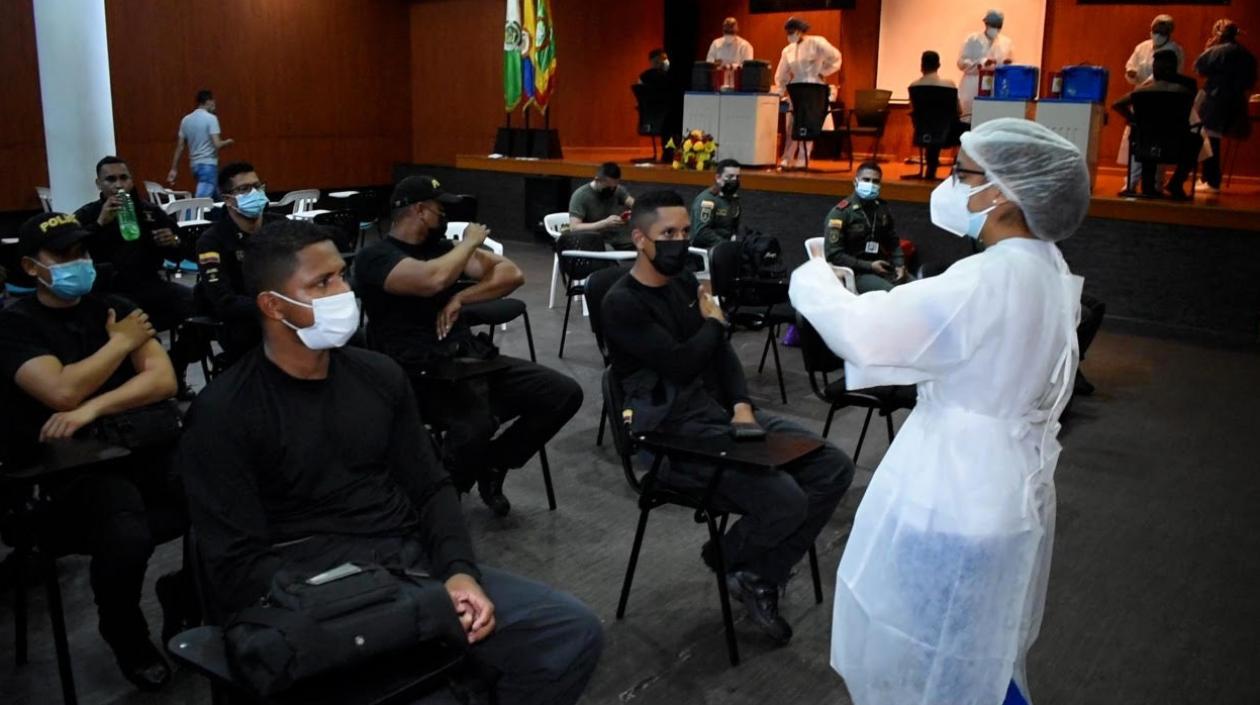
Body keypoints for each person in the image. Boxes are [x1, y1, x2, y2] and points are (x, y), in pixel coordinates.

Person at [177, 219, 602, 705]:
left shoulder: (379, 376)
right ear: (274, 306)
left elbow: (431, 486)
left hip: (407, 562)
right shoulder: (224, 412)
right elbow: (236, 560)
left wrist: (459, 570)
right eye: (322, 283)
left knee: (569, 632)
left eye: (341, 276)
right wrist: (368, 606)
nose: (343, 293)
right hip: (311, 584)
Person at [790, 118, 1089, 705]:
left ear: (1003, 192)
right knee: (978, 644)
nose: (951, 185)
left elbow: (866, 332)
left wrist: (814, 280)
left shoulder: (988, 277)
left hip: (952, 488)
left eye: (963, 174)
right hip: (1003, 485)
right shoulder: (1048, 269)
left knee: (926, 645)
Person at [602, 189, 854, 646]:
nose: (680, 241)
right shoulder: (622, 302)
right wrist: (715, 322)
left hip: (716, 416)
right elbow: (681, 363)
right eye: (667, 234)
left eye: (684, 231)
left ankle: (755, 571)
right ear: (639, 239)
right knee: (786, 500)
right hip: (668, 437)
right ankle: (731, 559)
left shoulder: (682, 285)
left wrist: (740, 404)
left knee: (832, 466)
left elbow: (719, 357)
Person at [0, 213, 192, 692]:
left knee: (215, 490)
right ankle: (125, 632)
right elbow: (59, 391)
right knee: (124, 526)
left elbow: (163, 380)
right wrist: (121, 344)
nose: (79, 263)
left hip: (138, 446)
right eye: (63, 256)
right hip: (67, 470)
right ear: (31, 267)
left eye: (83, 253)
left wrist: (93, 406)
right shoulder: (15, 324)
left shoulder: (116, 306)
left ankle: (186, 597)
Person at [354, 176, 583, 517]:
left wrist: (462, 297)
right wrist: (470, 243)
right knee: (475, 425)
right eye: (440, 208)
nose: (445, 216)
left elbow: (511, 274)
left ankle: (491, 464)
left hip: (466, 361)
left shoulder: (443, 251)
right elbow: (432, 280)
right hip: (416, 373)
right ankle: (440, 499)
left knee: (562, 393)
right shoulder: (376, 257)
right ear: (419, 210)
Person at [75, 156, 197, 395]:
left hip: (150, 283)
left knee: (200, 304)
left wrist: (172, 241)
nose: (118, 185)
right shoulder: (88, 214)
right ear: (99, 184)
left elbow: (185, 250)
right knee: (131, 317)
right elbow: (72, 251)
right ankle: (141, 381)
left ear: (132, 180)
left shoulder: (150, 211)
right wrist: (99, 224)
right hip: (106, 291)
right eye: (110, 179)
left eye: (124, 178)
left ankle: (176, 366)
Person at [194, 161, 281, 366]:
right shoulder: (212, 241)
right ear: (227, 199)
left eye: (257, 187)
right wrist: (273, 307)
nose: (254, 193)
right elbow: (224, 302)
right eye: (244, 189)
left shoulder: (280, 226)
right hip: (244, 323)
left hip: (286, 312)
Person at [1112, 50, 1199, 199]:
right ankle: (1176, 183)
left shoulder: (1141, 91)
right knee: (1196, 140)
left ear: (1154, 70)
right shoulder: (1186, 90)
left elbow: (1116, 104)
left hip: (1145, 144)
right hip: (1177, 144)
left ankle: (1148, 187)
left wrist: (1133, 119)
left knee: (1147, 137)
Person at [1118, 15, 1186, 193]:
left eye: (1162, 31)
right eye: (1156, 30)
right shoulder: (1142, 47)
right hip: (1141, 100)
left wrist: (1150, 84)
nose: (1158, 35)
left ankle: (1156, 184)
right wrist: (1132, 73)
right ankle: (1131, 182)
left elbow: (1170, 74)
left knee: (1159, 146)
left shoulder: (1175, 50)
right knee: (1136, 144)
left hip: (1163, 102)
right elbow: (1131, 65)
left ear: (1169, 32)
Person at [822, 162, 908, 293]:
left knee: (916, 289)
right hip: (857, 271)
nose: (871, 184)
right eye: (866, 180)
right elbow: (834, 255)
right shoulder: (841, 213)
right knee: (893, 294)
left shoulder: (881, 209)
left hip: (882, 267)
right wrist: (869, 266)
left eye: (875, 181)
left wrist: (899, 264)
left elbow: (893, 242)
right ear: (855, 182)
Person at [1194, 19, 1257, 192]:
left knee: (1209, 138)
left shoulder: (1216, 51)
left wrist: (1207, 49)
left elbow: (1200, 69)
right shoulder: (1247, 54)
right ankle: (1210, 178)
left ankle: (1211, 179)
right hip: (1236, 100)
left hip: (1215, 99)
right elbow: (1250, 81)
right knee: (1213, 137)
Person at [774, 16, 842, 168]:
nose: (790, 35)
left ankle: (803, 158)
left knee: (809, 123)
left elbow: (836, 57)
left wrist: (823, 71)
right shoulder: (788, 50)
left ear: (800, 31)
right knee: (792, 124)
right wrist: (780, 90)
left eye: (792, 32)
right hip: (796, 88)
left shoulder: (817, 42)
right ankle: (787, 157)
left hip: (814, 87)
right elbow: (782, 72)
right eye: (788, 32)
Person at [166, 89, 233, 198]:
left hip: (194, 166)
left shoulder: (186, 120)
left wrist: (174, 169)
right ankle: (194, 210)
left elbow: (180, 147)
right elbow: (217, 144)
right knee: (202, 200)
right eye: (213, 101)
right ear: (208, 101)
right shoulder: (211, 119)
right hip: (208, 164)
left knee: (217, 198)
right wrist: (228, 142)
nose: (215, 104)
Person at [908, 50, 961, 180]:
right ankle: (954, 172)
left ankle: (930, 168)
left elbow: (912, 109)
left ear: (922, 66)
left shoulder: (914, 86)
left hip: (923, 131)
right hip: (948, 133)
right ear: (938, 65)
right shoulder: (949, 85)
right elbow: (958, 110)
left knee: (932, 128)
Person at [957, 9, 1014, 120]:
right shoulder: (972, 39)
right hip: (973, 85)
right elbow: (961, 63)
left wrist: (1005, 64)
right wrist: (981, 63)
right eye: (993, 25)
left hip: (995, 87)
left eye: (998, 26)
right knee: (969, 120)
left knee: (991, 119)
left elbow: (1010, 64)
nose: (995, 28)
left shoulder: (1006, 43)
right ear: (986, 24)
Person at [568, 162, 636, 251]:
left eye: (614, 187)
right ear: (597, 180)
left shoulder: (617, 190)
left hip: (616, 238)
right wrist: (604, 223)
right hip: (593, 239)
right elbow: (574, 228)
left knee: (642, 245)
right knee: (609, 251)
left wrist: (631, 214)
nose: (612, 190)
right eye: (608, 187)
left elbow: (635, 205)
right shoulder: (581, 196)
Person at [689, 158, 742, 249]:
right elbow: (702, 233)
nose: (734, 180)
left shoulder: (733, 199)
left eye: (737, 177)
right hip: (707, 247)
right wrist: (727, 245)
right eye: (730, 177)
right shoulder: (707, 200)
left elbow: (733, 228)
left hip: (725, 244)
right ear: (718, 178)